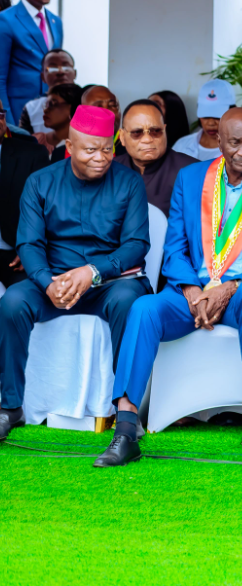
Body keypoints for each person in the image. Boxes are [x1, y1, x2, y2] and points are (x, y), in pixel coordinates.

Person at [100, 108, 242, 466]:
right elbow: (174, 247)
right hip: (192, 292)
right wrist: (193, 291)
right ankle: (126, 426)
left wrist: (229, 287)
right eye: (236, 143)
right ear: (218, 142)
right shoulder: (192, 178)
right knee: (144, 308)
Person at [0, 106, 151, 443]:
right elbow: (29, 243)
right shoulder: (40, 182)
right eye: (91, 150)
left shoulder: (129, 182)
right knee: (12, 302)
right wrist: (46, 282)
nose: (101, 158)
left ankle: (126, 411)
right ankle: (10, 406)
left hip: (110, 284)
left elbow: (137, 244)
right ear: (69, 147)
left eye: (108, 149)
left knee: (131, 303)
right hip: (54, 283)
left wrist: (93, 271)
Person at [113, 100, 197, 217]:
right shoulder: (110, 170)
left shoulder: (193, 172)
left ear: (165, 131)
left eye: (156, 131)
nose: (147, 139)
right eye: (137, 132)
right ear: (122, 136)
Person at [0, 0, 63, 118]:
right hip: (19, 110)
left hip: (50, 111)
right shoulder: (6, 20)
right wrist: (6, 120)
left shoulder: (55, 21)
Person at [0, 104, 50, 287]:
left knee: (23, 295)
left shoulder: (32, 154)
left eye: (0, 113)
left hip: (16, 254)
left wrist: (31, 249)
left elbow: (48, 208)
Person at [173, 80, 236, 162]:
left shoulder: (240, 151)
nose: (211, 123)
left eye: (217, 117)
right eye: (205, 116)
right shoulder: (181, 146)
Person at [19, 48, 75, 136]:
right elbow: (23, 141)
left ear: (75, 73)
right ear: (43, 77)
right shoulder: (31, 108)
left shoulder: (88, 102)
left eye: (66, 67)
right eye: (52, 69)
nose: (60, 72)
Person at [42, 83, 83, 162]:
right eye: (46, 105)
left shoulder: (84, 146)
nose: (46, 110)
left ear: (73, 108)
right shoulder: (37, 140)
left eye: (52, 104)